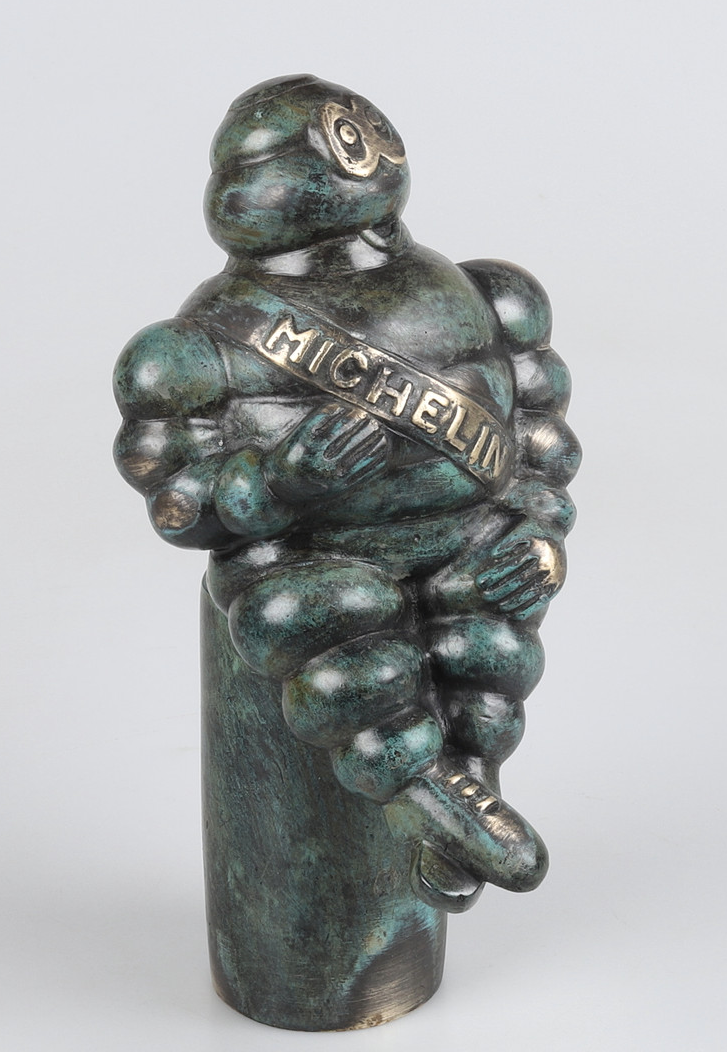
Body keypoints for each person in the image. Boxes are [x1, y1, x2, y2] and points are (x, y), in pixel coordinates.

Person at [114, 75, 580, 910]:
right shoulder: (196, 347)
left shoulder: (489, 298)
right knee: (322, 622)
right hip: (308, 562)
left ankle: (464, 790)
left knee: (488, 647)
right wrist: (284, 478)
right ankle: (427, 789)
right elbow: (182, 502)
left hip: (472, 540)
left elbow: (538, 444)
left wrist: (540, 536)